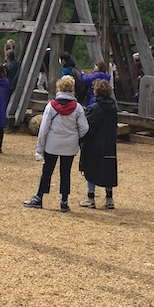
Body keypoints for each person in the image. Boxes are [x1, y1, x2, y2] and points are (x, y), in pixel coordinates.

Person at [23, 75, 89, 212]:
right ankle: (64, 201)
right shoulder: (77, 108)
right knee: (65, 172)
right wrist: (74, 137)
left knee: (47, 171)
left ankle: (39, 197)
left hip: (52, 144)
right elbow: (84, 128)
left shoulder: (51, 106)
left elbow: (44, 129)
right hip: (69, 146)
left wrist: (39, 149)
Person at [77, 78, 119, 209]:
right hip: (109, 142)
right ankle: (109, 198)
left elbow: (88, 127)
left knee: (90, 169)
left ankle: (91, 198)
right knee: (109, 169)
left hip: (94, 143)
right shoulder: (113, 107)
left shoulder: (94, 108)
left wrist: (81, 140)